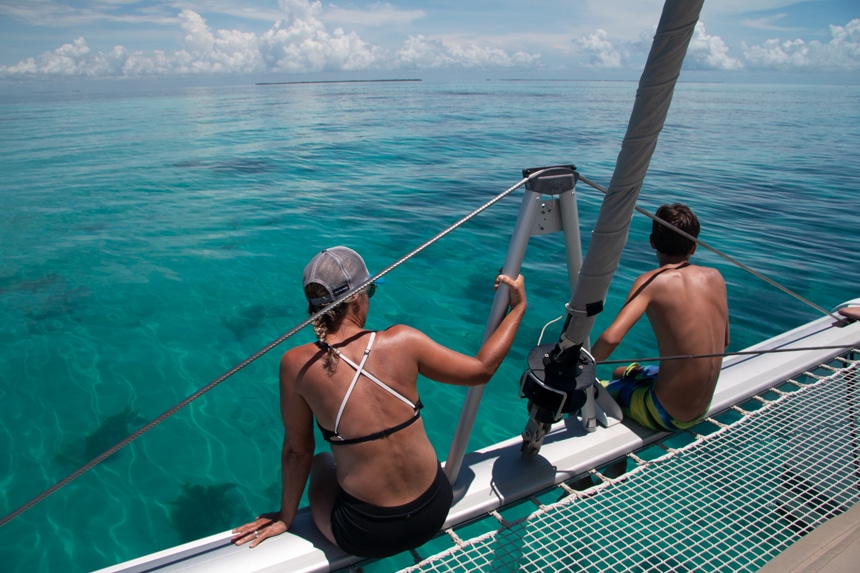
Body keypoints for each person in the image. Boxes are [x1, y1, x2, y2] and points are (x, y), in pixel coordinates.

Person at [231, 246, 526, 558]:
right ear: (358, 297)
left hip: (366, 534)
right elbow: (481, 370)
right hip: (435, 510)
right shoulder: (404, 340)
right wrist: (518, 307)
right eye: (370, 290)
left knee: (321, 460)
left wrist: (285, 516)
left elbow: (297, 452)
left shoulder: (296, 365)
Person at [590, 203, 729, 432]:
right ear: (693, 247)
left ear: (652, 242)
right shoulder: (716, 277)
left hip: (666, 413)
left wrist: (582, 370)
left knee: (599, 392)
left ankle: (616, 466)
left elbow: (611, 339)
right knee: (620, 371)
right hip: (702, 406)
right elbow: (724, 342)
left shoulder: (652, 282)